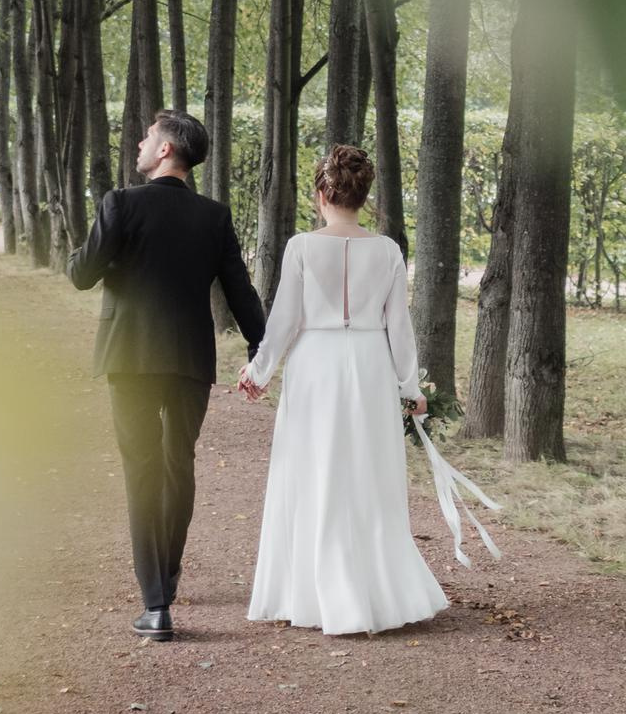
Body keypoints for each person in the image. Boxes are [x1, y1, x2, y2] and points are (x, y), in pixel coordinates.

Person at [235, 144, 450, 636]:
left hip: (316, 364)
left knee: (312, 469)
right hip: (371, 363)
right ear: (363, 196)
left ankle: (311, 592)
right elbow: (400, 327)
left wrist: (259, 371)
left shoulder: (301, 247)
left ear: (322, 194)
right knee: (368, 471)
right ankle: (376, 591)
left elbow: (285, 319)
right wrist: (410, 386)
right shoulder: (388, 250)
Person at [69, 109, 266, 642]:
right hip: (188, 359)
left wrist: (102, 250)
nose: (139, 142)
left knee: (142, 469)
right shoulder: (214, 216)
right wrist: (260, 349)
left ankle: (155, 604)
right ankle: (168, 576)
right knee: (179, 465)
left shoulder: (120, 204)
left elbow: (81, 274)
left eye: (147, 137)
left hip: (129, 357)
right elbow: (239, 289)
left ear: (164, 150)